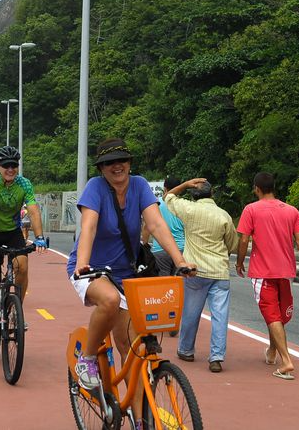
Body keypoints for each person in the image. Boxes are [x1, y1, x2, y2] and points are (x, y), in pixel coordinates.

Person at [68, 138, 195, 430]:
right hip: (92, 269)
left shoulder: (138, 186)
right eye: (111, 162)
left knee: (133, 351)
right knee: (109, 301)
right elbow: (88, 225)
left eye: (122, 160)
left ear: (130, 163)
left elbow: (156, 224)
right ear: (101, 168)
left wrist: (180, 260)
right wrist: (82, 264)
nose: (118, 166)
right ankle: (87, 359)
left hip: (126, 273)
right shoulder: (96, 188)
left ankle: (139, 421)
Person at [235, 172, 299, 381]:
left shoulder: (251, 210)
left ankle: (286, 360)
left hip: (262, 273)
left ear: (257, 189)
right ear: (274, 187)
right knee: (279, 315)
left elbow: (244, 240)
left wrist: (239, 262)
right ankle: (272, 351)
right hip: (286, 271)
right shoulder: (291, 211)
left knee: (272, 316)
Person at [162, 178, 238, 373]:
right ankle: (216, 357)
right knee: (220, 316)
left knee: (191, 312)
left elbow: (168, 196)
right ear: (212, 194)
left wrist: (186, 184)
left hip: (195, 270)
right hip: (219, 271)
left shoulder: (188, 209)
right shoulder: (224, 215)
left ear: (193, 195)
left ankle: (186, 349)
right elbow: (232, 244)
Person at [0, 146, 48, 338]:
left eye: (14, 165)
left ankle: (16, 312)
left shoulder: (24, 184)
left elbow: (33, 210)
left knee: (22, 266)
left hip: (13, 232)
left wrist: (39, 237)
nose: (10, 169)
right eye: (6, 165)